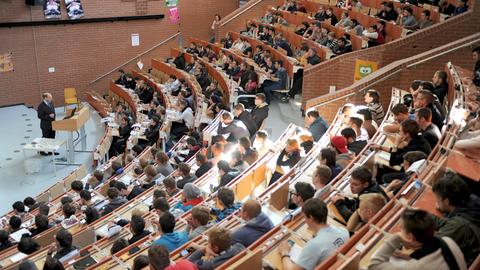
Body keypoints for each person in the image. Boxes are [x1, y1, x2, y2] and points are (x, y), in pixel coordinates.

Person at [368, 209, 467, 270]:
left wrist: (396, 238)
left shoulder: (416, 267)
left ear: (410, 237)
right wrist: (408, 256)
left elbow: (373, 265)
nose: (399, 231)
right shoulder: (448, 241)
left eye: (401, 229)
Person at [278, 198, 349, 270]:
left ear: (311, 218)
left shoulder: (314, 245)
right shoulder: (343, 231)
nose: (305, 221)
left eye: (305, 217)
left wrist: (284, 252)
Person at [431, 172, 480, 266]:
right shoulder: (473, 201)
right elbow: (451, 222)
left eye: (438, 199)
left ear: (447, 201)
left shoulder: (458, 226)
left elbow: (428, 248)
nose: (437, 202)